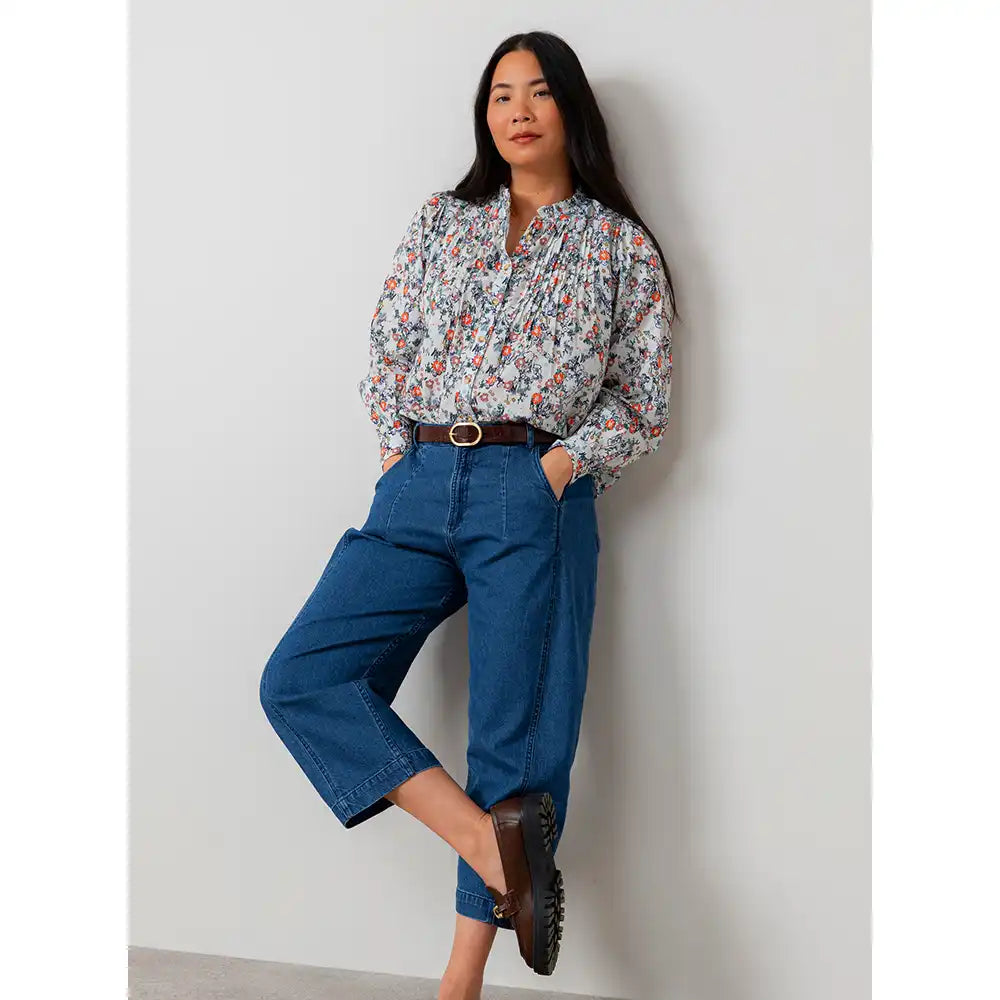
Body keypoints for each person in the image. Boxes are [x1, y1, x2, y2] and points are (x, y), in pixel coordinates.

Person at [259, 30, 677, 1000]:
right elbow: (388, 344)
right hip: (417, 477)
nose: (517, 109)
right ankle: (495, 852)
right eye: (499, 94)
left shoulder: (617, 243)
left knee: (513, 741)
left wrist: (561, 466)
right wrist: (395, 456)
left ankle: (459, 983)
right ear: (483, 116)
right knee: (302, 677)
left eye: (536, 92)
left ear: (569, 108)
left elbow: (643, 398)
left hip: (531, 483)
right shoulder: (443, 220)